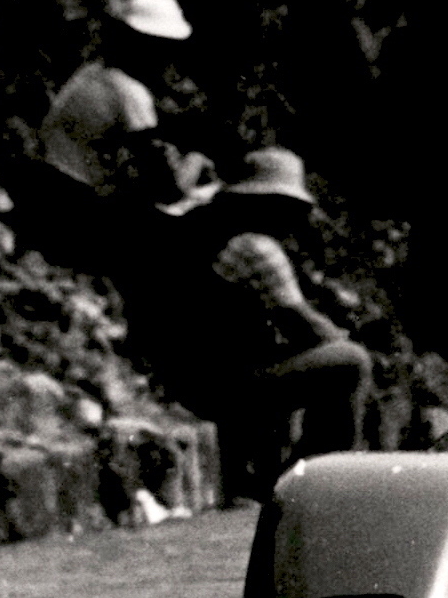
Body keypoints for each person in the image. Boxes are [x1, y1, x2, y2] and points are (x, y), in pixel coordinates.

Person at [155, 148, 372, 500]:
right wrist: (340, 336)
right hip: (218, 384)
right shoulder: (254, 246)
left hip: (185, 374)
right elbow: (307, 327)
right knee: (350, 361)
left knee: (290, 357)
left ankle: (284, 475)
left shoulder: (204, 230)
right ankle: (319, 482)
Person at [26, 0, 209, 274]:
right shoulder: (129, 92)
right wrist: (196, 159)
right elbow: (164, 184)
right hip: (74, 201)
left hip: (47, 186)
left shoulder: (91, 73)